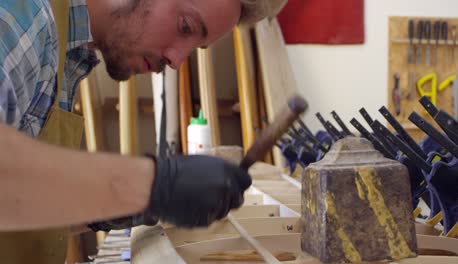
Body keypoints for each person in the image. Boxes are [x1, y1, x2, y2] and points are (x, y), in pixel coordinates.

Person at [0, 0, 287, 263]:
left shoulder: (68, 53)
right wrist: (153, 183)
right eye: (185, 26)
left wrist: (139, 205)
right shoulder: (22, 15)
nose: (176, 61)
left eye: (196, 47)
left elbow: (23, 202)